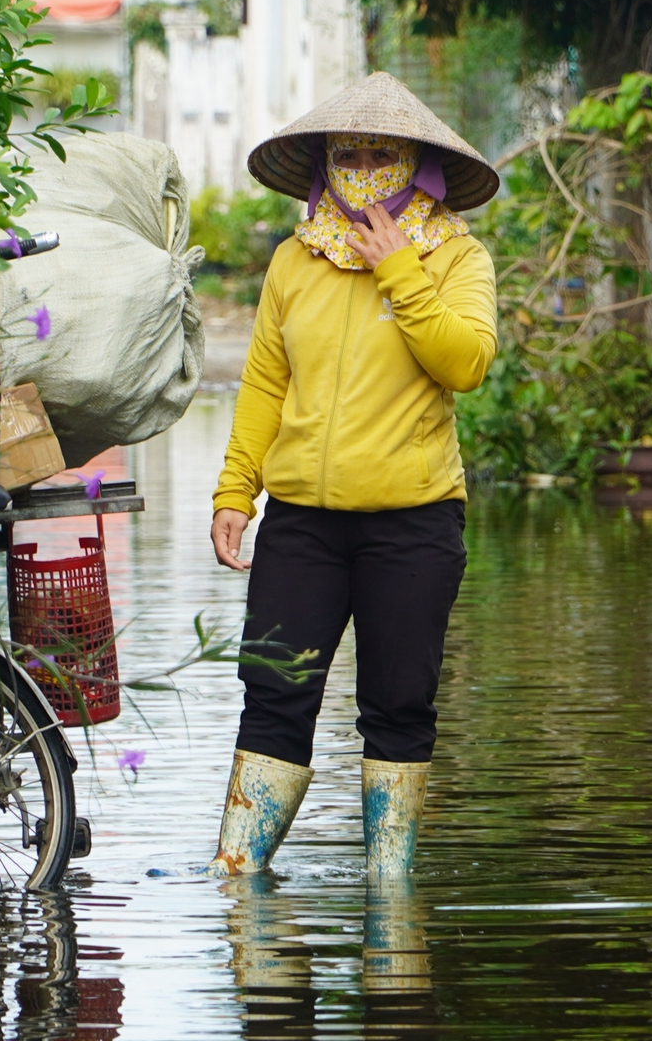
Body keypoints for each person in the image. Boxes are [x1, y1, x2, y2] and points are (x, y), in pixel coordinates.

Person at [206, 73, 500, 879]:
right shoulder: (293, 265)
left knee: (397, 707)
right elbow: (265, 383)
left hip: (414, 522)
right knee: (273, 691)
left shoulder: (457, 259)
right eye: (349, 153)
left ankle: (390, 891)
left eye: (381, 153)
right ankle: (238, 876)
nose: (363, 166)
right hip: (301, 522)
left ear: (415, 163)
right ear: (323, 163)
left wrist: (400, 270)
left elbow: (466, 362)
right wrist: (237, 491)